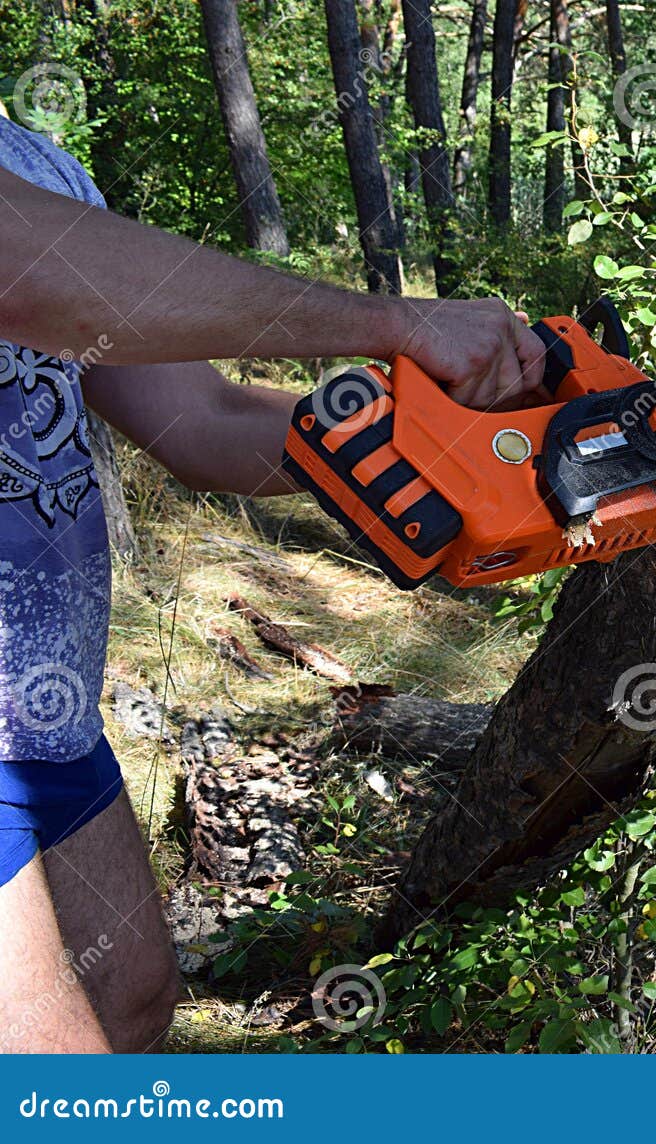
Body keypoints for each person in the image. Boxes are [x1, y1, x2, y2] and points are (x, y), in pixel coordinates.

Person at [0, 111, 546, 1052]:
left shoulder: (33, 159)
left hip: (40, 715)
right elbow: (28, 272)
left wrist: (437, 442)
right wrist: (397, 324)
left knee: (129, 999)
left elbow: (202, 419)